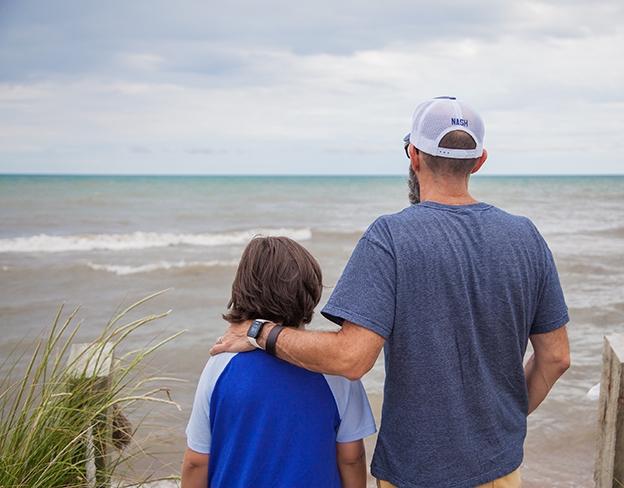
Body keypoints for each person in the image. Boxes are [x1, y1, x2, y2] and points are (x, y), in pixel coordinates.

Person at [212, 97, 571, 488]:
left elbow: (351, 359)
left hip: (416, 475)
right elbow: (555, 358)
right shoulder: (526, 237)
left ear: (414, 156)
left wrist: (260, 332)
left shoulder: (390, 237)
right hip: (501, 469)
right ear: (479, 160)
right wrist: (503, 422)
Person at [182, 236, 376, 488]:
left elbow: (196, 462)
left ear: (242, 290)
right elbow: (351, 458)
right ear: (310, 292)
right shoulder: (333, 367)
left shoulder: (220, 365)